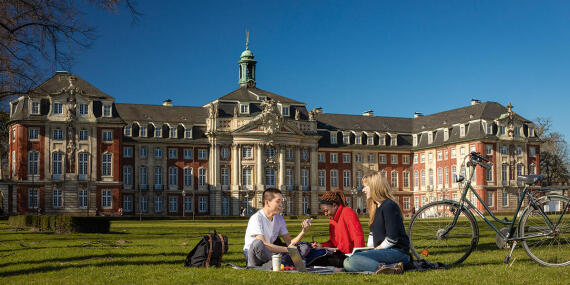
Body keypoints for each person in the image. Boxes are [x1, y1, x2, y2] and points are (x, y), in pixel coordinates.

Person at [343, 172, 411, 274]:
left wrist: (375, 251)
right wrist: (368, 250)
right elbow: (372, 234)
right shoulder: (376, 207)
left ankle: (383, 268)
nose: (363, 190)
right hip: (385, 251)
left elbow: (392, 239)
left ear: (375, 187)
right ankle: (389, 268)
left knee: (353, 260)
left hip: (397, 252)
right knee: (348, 261)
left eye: (366, 187)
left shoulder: (389, 206)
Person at [243, 188, 312, 267]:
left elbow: (289, 243)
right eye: (278, 201)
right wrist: (288, 250)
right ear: (267, 203)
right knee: (258, 243)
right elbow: (264, 245)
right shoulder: (257, 218)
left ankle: (278, 263)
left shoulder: (279, 218)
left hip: (271, 253)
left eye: (281, 202)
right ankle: (281, 263)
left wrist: (303, 231)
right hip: (255, 253)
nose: (281, 205)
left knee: (304, 248)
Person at [311, 189, 365, 267]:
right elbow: (333, 243)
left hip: (349, 256)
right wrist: (321, 246)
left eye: (326, 210)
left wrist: (358, 258)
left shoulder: (347, 212)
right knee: (314, 255)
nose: (325, 214)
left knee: (320, 260)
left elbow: (358, 237)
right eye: (323, 212)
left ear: (334, 205)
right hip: (339, 254)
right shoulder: (332, 220)